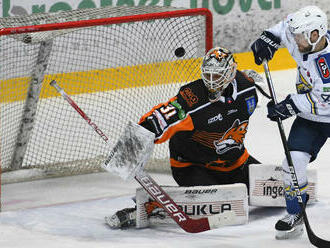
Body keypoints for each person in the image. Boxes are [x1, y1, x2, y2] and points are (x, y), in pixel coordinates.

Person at [106, 46, 262, 229]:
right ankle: (150, 207)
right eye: (208, 75)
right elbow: (160, 117)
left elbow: (261, 88)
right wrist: (130, 147)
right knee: (222, 205)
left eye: (217, 76)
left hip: (235, 163)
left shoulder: (247, 87)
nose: (211, 81)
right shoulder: (192, 98)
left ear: (230, 73)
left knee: (280, 187)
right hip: (192, 167)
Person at [250, 5, 329, 240]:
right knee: (292, 163)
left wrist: (288, 106)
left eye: (299, 36)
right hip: (311, 119)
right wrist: (268, 38)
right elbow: (285, 27)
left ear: (315, 35)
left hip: (320, 107)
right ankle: (295, 214)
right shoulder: (303, 36)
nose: (294, 40)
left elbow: (323, 101)